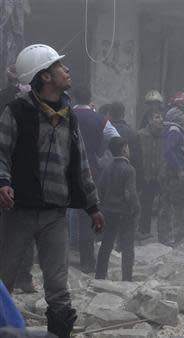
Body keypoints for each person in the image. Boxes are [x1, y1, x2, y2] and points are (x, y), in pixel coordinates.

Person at [0, 44, 105, 337]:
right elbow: (1, 151)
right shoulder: (16, 111)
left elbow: (81, 164)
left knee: (58, 287)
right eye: (60, 66)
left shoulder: (68, 116)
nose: (66, 70)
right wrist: (3, 182)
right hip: (17, 211)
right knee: (2, 280)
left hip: (54, 215)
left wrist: (93, 207)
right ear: (45, 76)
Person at [0, 66, 36, 294]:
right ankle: (21, 278)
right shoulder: (36, 101)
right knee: (24, 228)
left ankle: (11, 280)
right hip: (21, 173)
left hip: (12, 173)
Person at [72, 86, 107, 273]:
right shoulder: (100, 119)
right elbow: (113, 139)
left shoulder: (66, 115)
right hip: (91, 170)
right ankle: (87, 260)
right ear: (90, 98)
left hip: (66, 170)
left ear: (75, 97)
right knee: (88, 214)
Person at [95, 137, 140, 281]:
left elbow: (100, 189)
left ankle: (100, 276)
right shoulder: (129, 169)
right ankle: (127, 278)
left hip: (108, 212)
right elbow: (130, 194)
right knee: (127, 246)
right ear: (125, 148)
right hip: (124, 213)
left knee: (106, 244)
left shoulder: (107, 168)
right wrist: (136, 209)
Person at [158, 107, 184, 246]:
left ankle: (167, 236)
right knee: (175, 204)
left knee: (168, 203)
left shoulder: (171, 130)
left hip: (170, 172)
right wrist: (179, 170)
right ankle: (173, 237)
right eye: (181, 115)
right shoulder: (174, 131)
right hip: (174, 174)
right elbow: (169, 151)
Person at [137, 105, 163, 236]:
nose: (160, 120)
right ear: (149, 120)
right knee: (145, 203)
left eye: (161, 117)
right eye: (157, 117)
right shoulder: (141, 135)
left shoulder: (162, 135)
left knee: (157, 203)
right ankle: (143, 230)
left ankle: (158, 231)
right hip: (144, 175)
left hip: (157, 175)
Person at [109, 102, 143, 183]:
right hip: (127, 175)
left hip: (108, 174)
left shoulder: (105, 130)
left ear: (110, 114)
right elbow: (137, 158)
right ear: (123, 114)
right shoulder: (132, 133)